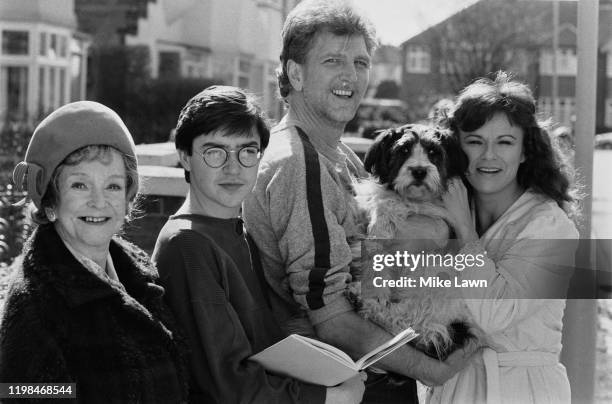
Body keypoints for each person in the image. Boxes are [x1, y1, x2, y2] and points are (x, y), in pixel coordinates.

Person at [243, 1, 477, 402]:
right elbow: (332, 318)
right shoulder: (299, 163)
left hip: (374, 374)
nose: (350, 75)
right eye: (333, 60)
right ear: (295, 73)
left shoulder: (338, 153)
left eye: (361, 62)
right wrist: (434, 370)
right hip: (348, 385)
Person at [152, 85, 366, 404]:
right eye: (215, 151)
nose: (233, 167)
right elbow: (227, 385)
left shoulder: (238, 230)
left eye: (247, 150)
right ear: (184, 156)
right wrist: (330, 398)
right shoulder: (188, 245)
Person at [0, 101, 187, 403]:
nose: (99, 202)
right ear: (49, 202)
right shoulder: (33, 310)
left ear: (128, 197)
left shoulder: (140, 273)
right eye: (80, 185)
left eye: (113, 186)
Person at [431, 71, 581, 403]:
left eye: (504, 142)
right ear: (456, 148)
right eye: (474, 141)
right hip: (453, 389)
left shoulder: (549, 226)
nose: (488, 156)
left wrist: (466, 234)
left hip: (522, 390)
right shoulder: (441, 214)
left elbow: (496, 315)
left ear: (525, 150)